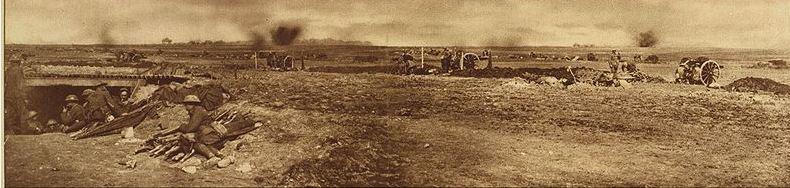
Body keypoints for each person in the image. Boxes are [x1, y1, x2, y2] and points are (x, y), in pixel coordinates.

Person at [154, 95, 229, 166]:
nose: (185, 107)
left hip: (211, 134)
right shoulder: (195, 111)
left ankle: (211, 156)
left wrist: (181, 127)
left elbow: (191, 128)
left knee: (193, 141)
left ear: (191, 104)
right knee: (199, 141)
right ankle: (218, 155)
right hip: (208, 134)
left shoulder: (198, 111)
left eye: (186, 104)